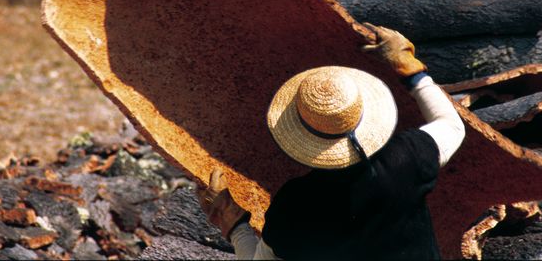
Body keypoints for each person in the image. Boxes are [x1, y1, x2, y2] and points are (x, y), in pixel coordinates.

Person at [197, 24, 466, 260]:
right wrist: (411, 71)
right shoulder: (405, 160)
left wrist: (233, 223)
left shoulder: (296, 204)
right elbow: (452, 126)